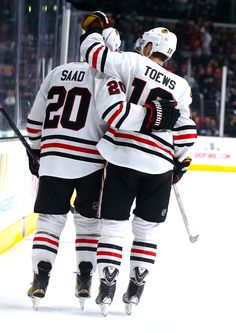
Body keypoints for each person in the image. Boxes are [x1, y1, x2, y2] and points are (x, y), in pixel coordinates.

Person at [26, 26, 179, 310]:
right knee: (88, 224)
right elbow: (116, 118)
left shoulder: (56, 71)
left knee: (49, 222)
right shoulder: (110, 78)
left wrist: (35, 149)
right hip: (92, 163)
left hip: (53, 158)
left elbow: (35, 119)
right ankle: (85, 278)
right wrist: (155, 118)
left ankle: (41, 279)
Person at [80, 12, 198, 315]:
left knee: (113, 226)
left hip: (122, 157)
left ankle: (107, 289)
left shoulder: (131, 62)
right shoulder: (181, 86)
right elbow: (186, 132)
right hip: (159, 166)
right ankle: (134, 291)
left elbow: (93, 55)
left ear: (148, 47)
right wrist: (179, 163)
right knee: (147, 231)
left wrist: (95, 32)